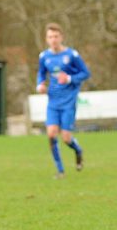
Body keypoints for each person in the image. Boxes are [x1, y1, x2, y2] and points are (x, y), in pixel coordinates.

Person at [36, 23, 90, 177]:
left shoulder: (72, 55)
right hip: (53, 102)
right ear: (46, 39)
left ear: (62, 37)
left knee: (66, 138)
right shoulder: (44, 57)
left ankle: (78, 151)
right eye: (50, 37)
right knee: (51, 134)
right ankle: (60, 171)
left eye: (56, 36)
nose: (53, 40)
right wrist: (40, 84)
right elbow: (41, 73)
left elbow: (85, 73)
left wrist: (69, 78)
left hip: (68, 102)